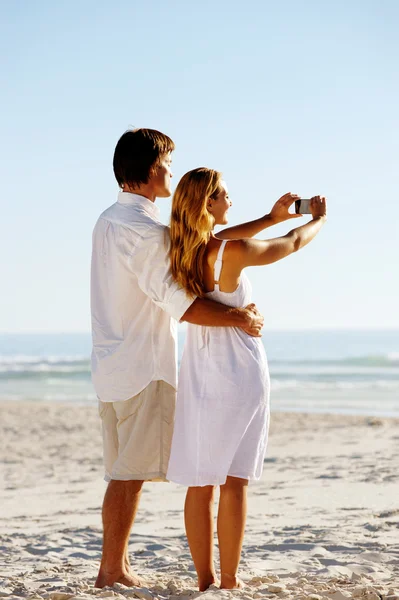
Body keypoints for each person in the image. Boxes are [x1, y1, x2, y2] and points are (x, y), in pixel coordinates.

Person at [90, 129, 265, 588]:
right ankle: (111, 570)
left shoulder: (109, 220)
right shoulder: (146, 234)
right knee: (131, 474)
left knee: (123, 471)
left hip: (111, 363)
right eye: (168, 163)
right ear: (151, 170)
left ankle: (115, 565)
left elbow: (210, 238)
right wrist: (240, 319)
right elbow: (183, 305)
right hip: (143, 366)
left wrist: (267, 219)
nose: (171, 169)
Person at [166, 167, 327, 590]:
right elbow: (289, 246)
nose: (230, 202)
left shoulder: (181, 248)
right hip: (239, 373)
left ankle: (206, 580)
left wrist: (274, 215)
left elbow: (236, 231)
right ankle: (230, 581)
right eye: (224, 197)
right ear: (209, 204)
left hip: (200, 374)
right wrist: (316, 222)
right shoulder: (231, 252)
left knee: (201, 483)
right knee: (235, 481)